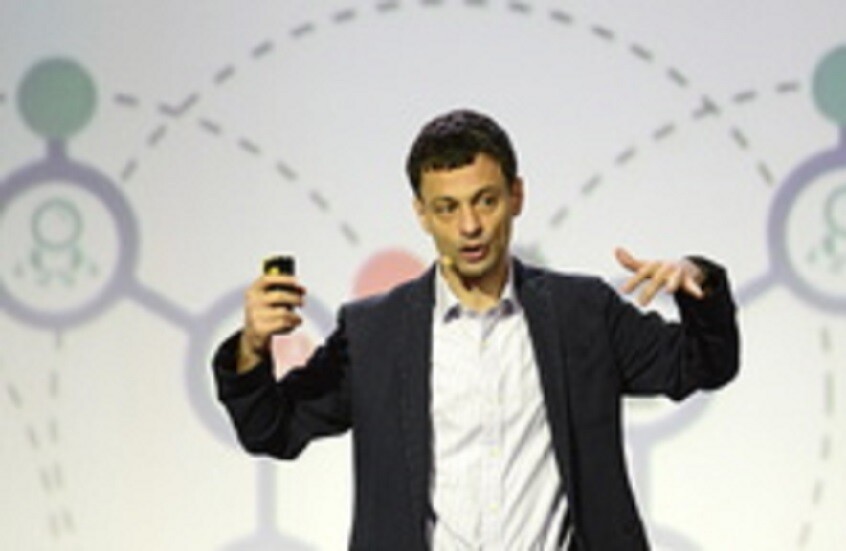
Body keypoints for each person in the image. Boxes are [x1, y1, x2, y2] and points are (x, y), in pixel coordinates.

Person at [212, 109, 740, 550]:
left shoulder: (582, 312)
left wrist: (698, 283)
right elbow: (273, 429)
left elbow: (703, 365)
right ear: (422, 213)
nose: (469, 227)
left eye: (485, 200)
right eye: (447, 208)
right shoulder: (376, 334)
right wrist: (252, 346)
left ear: (516, 196)